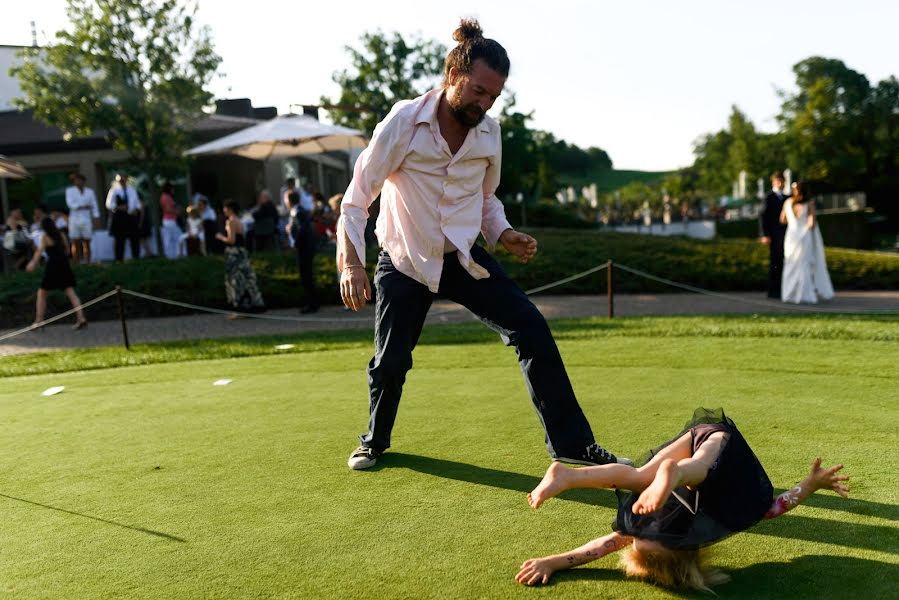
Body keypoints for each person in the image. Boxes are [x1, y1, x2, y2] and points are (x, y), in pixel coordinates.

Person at [337, 19, 625, 470]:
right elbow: (356, 200)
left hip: (463, 258)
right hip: (406, 261)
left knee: (531, 329)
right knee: (391, 362)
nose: (485, 103)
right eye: (478, 91)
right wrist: (351, 266)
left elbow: (486, 199)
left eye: (494, 96)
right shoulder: (403, 122)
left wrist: (504, 233)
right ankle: (374, 440)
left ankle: (572, 446)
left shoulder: (489, 133)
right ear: (452, 75)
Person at [515, 408, 849, 592]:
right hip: (717, 450)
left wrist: (554, 561)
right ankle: (669, 473)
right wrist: (811, 484)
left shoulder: (658, 532)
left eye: (640, 536)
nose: (644, 529)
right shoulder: (720, 518)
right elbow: (777, 507)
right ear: (682, 545)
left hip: (698, 449)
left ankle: (569, 476)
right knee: (665, 473)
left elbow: (600, 547)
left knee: (647, 474)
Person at [25, 216, 88, 330]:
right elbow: (68, 251)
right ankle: (81, 318)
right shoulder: (61, 235)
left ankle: (39, 321)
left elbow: (40, 251)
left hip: (53, 266)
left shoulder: (45, 237)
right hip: (64, 265)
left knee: (42, 293)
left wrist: (33, 263)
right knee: (71, 292)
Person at [780, 181, 834, 304]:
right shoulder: (804, 203)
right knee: (796, 264)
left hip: (795, 236)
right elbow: (811, 223)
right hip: (799, 237)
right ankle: (798, 294)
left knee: (797, 264)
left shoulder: (790, 203)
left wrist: (795, 223)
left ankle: (794, 294)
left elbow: (783, 220)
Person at [216, 199, 265, 316]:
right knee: (245, 278)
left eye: (225, 208)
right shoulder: (239, 221)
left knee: (235, 280)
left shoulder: (231, 222)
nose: (224, 211)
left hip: (234, 253)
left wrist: (220, 237)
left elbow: (231, 240)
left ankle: (238, 308)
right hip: (242, 253)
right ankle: (252, 304)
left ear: (230, 209)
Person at [286, 191, 319, 313]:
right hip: (306, 248)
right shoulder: (300, 210)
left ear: (289, 200)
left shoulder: (297, 211)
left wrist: (295, 243)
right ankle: (312, 302)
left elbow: (302, 229)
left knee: (306, 276)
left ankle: (311, 304)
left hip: (304, 249)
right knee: (307, 275)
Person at [759, 171, 789, 299]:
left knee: (783, 262)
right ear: (774, 182)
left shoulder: (787, 198)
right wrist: (765, 234)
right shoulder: (769, 197)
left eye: (782, 181)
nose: (780, 183)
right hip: (774, 235)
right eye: (778, 181)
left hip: (786, 235)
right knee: (775, 262)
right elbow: (763, 216)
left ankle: (784, 289)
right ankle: (773, 290)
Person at [65, 173, 99, 264]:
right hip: (74, 220)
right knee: (75, 242)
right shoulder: (70, 191)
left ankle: (88, 262)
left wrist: (96, 217)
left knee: (87, 242)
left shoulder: (90, 192)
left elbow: (94, 205)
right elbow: (70, 204)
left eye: (80, 180)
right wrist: (83, 206)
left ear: (83, 181)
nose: (78, 182)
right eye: (76, 180)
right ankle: (76, 262)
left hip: (86, 219)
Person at [106, 174, 141, 261]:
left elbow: (137, 203)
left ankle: (136, 258)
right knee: (120, 239)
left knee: (134, 239)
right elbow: (109, 204)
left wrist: (136, 209)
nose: (122, 181)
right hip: (119, 217)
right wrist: (119, 207)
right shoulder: (114, 191)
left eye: (124, 179)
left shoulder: (132, 190)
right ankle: (119, 259)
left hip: (131, 216)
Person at [158, 182, 182, 258]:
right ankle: (172, 256)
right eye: (172, 188)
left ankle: (173, 256)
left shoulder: (166, 196)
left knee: (172, 239)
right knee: (175, 239)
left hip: (170, 221)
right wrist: (177, 211)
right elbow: (168, 209)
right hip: (169, 221)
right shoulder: (165, 197)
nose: (173, 190)